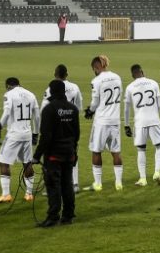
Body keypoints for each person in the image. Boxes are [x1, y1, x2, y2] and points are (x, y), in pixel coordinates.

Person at [33, 79, 80, 227]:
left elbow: (46, 136)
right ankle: (68, 215)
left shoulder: (49, 109)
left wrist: (36, 156)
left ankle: (53, 217)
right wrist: (74, 150)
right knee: (67, 184)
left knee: (53, 185)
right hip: (69, 152)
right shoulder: (73, 108)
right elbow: (77, 133)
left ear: (52, 91)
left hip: (54, 154)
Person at [0, 78, 39, 205]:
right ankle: (29, 194)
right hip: (27, 134)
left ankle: (6, 194)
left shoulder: (9, 94)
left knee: (3, 162)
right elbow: (37, 115)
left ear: (8, 86)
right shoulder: (31, 94)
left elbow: (7, 113)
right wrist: (36, 133)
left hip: (13, 134)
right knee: (27, 162)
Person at [83, 55, 123, 191]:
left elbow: (95, 101)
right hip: (115, 119)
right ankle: (118, 183)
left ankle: (98, 184)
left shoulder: (96, 80)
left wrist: (90, 111)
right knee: (116, 152)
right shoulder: (117, 77)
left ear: (96, 67)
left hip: (102, 121)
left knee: (96, 150)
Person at [42, 64, 83, 192]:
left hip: (55, 126)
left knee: (53, 155)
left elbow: (44, 109)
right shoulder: (75, 87)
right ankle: (74, 184)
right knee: (72, 152)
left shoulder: (50, 88)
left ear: (55, 74)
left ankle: (54, 185)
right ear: (67, 74)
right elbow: (79, 107)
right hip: (70, 124)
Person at [123, 64, 160, 186]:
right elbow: (159, 105)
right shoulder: (154, 83)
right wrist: (156, 116)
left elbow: (126, 109)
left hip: (140, 122)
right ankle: (157, 172)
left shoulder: (130, 87)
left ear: (132, 75)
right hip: (154, 119)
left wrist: (126, 125)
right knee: (159, 147)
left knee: (141, 150)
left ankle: (143, 179)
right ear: (142, 71)